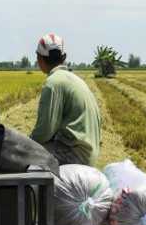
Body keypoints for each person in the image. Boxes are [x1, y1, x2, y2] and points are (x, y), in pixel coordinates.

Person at [29, 33, 102, 166]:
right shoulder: (74, 79)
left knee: (22, 155)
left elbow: (44, 133)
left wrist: (24, 144)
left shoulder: (53, 83)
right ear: (64, 58)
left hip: (75, 155)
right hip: (89, 153)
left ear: (40, 58)